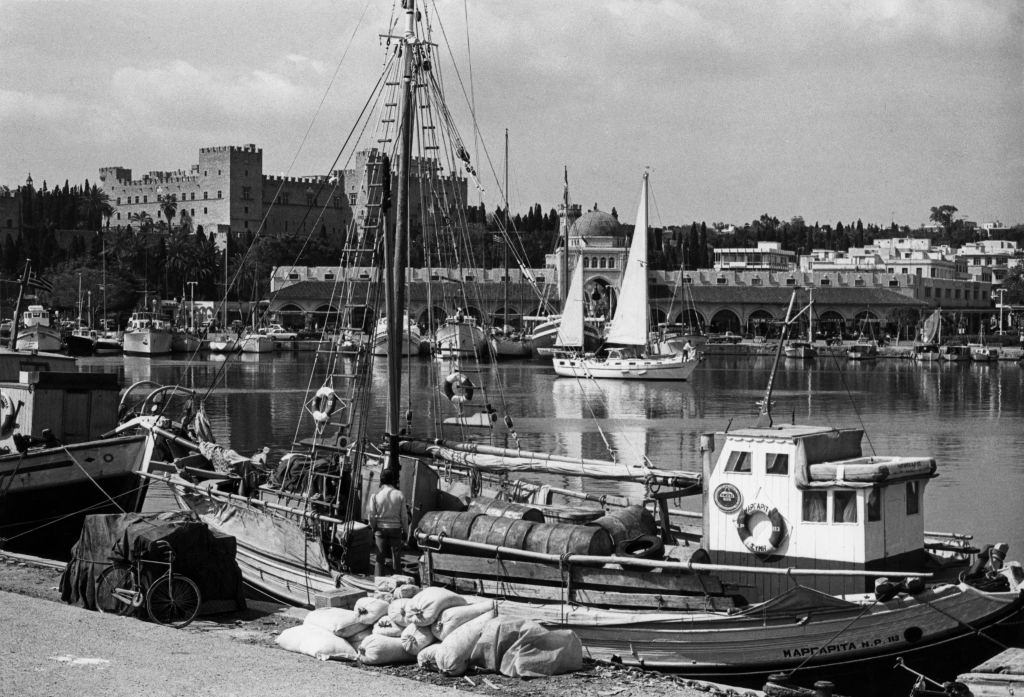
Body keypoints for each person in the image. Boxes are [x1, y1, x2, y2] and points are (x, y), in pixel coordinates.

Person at [368, 468, 409, 577]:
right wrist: (406, 532)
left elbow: (371, 516)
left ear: (382, 480)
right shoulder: (400, 495)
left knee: (379, 558)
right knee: (396, 558)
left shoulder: (375, 496)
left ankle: (378, 584)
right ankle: (397, 583)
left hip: (380, 530)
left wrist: (373, 528)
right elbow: (404, 517)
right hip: (396, 530)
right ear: (393, 480)